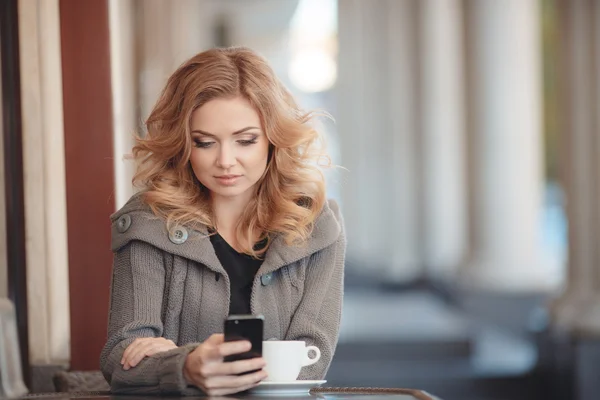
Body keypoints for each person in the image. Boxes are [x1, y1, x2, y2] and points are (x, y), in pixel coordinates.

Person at [100, 47, 346, 396]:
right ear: (183, 144)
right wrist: (186, 365)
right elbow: (121, 357)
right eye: (204, 143)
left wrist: (170, 359)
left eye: (245, 140)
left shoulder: (316, 225)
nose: (225, 161)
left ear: (273, 140)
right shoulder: (148, 221)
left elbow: (312, 357)